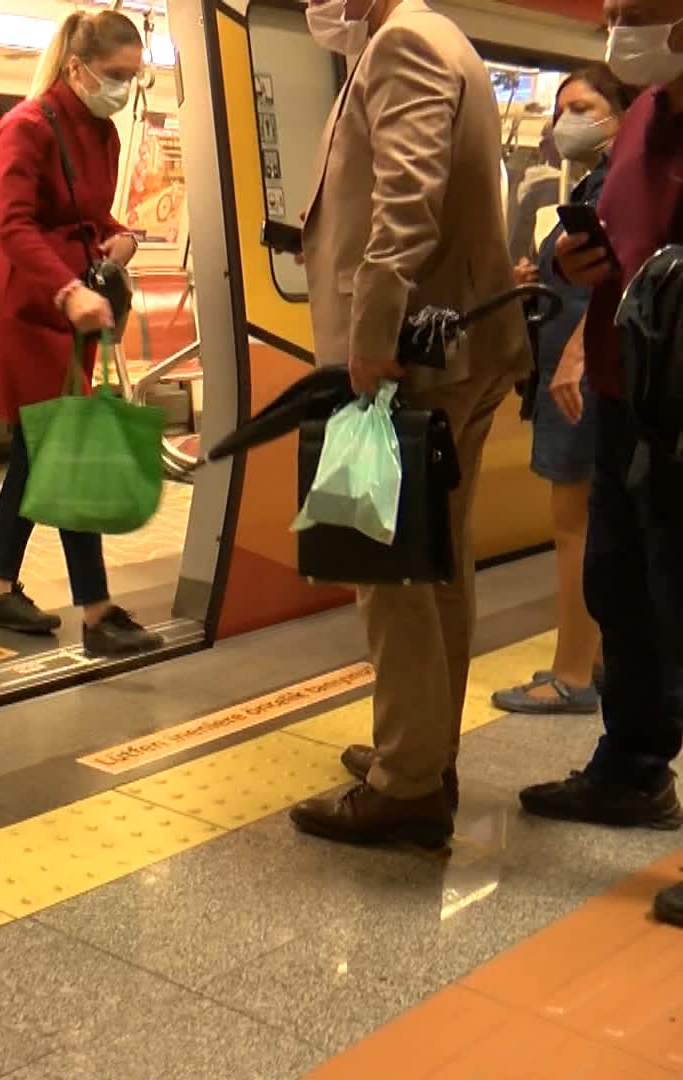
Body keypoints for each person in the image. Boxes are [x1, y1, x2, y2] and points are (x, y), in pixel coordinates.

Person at [285, 0, 531, 847]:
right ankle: (424, 749)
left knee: (384, 565)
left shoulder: (406, 45)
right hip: (451, 348)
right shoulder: (440, 39)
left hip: (410, 358)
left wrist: (372, 335)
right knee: (436, 561)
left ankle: (407, 784)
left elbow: (406, 199)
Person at [519, 0, 683, 929]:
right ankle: (632, 770)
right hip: (630, 396)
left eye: (638, 8)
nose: (619, 23)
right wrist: (574, 267)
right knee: (623, 587)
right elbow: (612, 243)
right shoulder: (644, 119)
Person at [0, 11, 166, 658]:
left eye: (133, 77)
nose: (122, 88)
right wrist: (69, 288)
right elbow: (14, 225)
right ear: (77, 68)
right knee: (66, 444)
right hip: (29, 308)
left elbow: (85, 211)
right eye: (114, 75)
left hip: (68, 306)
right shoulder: (25, 127)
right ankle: (97, 609)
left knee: (38, 449)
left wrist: (123, 235)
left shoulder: (101, 131)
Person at [493, 66, 637, 716]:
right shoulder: (599, 185)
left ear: (619, 115)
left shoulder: (614, 189)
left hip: (576, 382)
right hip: (575, 377)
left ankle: (571, 672)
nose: (564, 119)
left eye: (582, 106)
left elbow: (614, 284)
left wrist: (575, 349)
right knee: (588, 520)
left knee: (572, 524)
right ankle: (598, 657)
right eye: (560, 108)